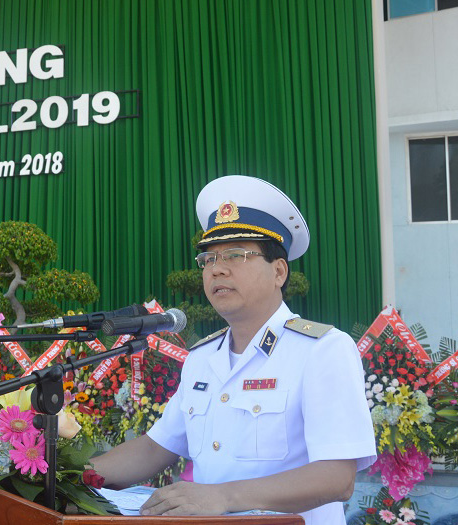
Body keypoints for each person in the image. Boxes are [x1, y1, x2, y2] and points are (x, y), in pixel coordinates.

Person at [90, 175, 376, 524]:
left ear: (279, 272)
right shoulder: (201, 359)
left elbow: (336, 477)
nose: (217, 269)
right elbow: (154, 448)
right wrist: (67, 478)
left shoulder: (322, 351)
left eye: (236, 255)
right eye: (208, 259)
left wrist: (222, 497)